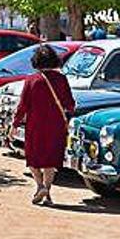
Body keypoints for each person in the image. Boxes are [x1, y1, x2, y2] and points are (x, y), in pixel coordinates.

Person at [11, 45, 75, 205]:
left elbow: (23, 105)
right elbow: (70, 104)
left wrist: (15, 124)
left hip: (35, 126)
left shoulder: (31, 80)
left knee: (32, 158)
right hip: (56, 125)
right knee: (50, 160)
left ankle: (40, 186)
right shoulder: (62, 79)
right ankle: (46, 189)